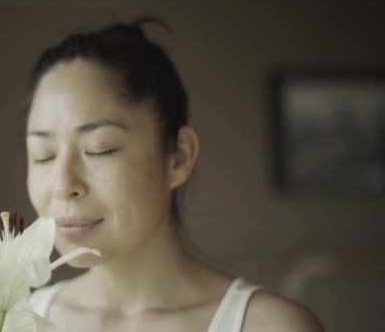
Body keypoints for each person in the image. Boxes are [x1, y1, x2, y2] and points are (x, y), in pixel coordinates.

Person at [23, 17, 324, 332]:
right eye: (43, 155)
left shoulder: (269, 326)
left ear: (179, 156)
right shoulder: (20, 320)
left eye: (100, 149)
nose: (63, 185)